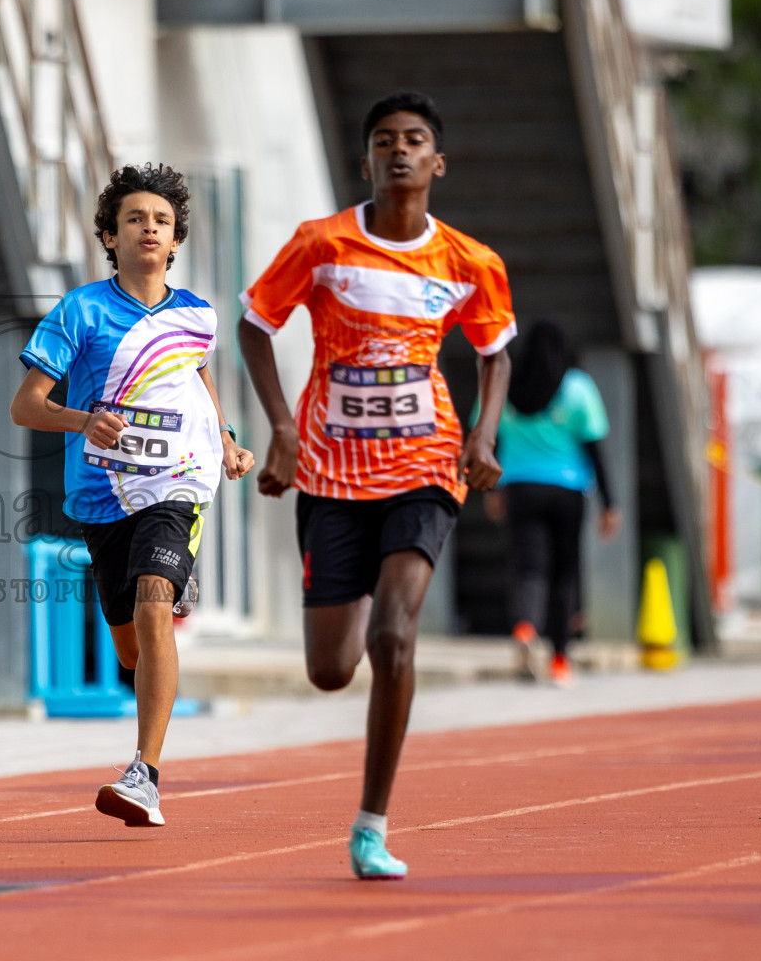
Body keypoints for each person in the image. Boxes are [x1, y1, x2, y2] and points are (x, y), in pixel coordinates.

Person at [237, 91, 514, 879]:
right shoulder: (320, 244)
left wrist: (484, 433)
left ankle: (370, 826)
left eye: (415, 139)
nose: (399, 151)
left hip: (424, 462)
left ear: (437, 162)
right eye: (385, 141)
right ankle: (354, 589)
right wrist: (283, 431)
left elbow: (495, 350)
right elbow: (256, 325)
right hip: (328, 466)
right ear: (366, 162)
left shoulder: (469, 261)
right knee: (330, 671)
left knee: (397, 636)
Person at [11, 163, 255, 827]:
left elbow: (196, 383)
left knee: (155, 607)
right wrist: (82, 419)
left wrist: (228, 439)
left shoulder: (197, 315)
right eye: (134, 219)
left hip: (177, 482)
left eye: (162, 221)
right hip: (100, 492)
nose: (149, 229)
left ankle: (144, 773)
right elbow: (26, 407)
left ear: (175, 241)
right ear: (110, 236)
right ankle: (164, 601)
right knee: (130, 649)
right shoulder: (80, 310)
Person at [482, 320, 620, 687]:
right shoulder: (576, 387)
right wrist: (610, 503)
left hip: (519, 488)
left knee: (528, 566)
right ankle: (560, 659)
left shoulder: (504, 385)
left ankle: (526, 627)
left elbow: (485, 440)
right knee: (564, 572)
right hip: (567, 490)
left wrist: (492, 491)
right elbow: (595, 448)